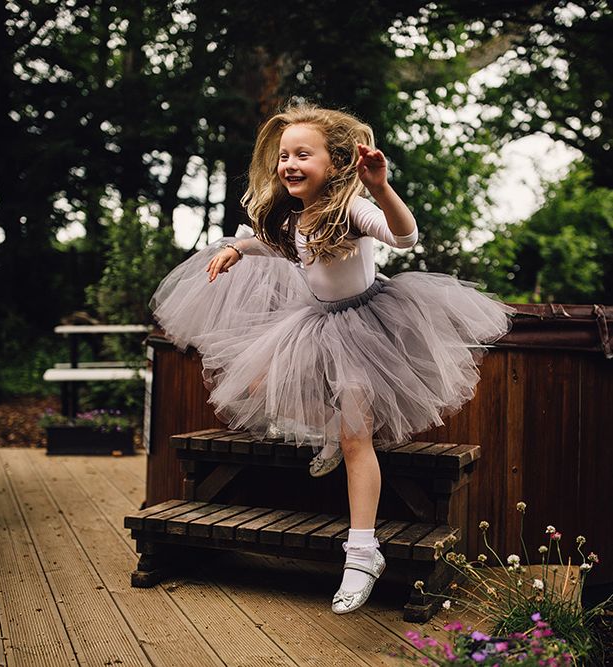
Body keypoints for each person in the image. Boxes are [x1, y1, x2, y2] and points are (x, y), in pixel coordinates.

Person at [150, 104, 514, 614]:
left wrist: (382, 186)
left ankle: (363, 552)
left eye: (303, 154)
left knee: (356, 437)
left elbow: (406, 236)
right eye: (283, 156)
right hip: (315, 322)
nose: (289, 164)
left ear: (337, 164)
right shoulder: (295, 216)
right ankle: (329, 435)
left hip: (366, 325)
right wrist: (237, 248)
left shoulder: (355, 209)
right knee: (257, 387)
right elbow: (280, 247)